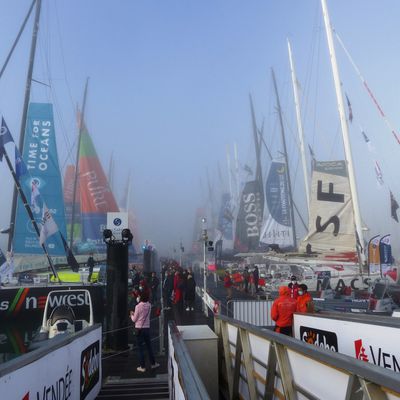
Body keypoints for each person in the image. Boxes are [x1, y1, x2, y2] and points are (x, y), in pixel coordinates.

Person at [130, 292, 160, 372]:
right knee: (149, 347)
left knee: (140, 348)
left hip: (139, 329)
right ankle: (153, 364)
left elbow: (134, 319)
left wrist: (131, 315)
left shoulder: (138, 306)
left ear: (141, 298)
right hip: (146, 328)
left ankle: (142, 366)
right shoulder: (149, 305)